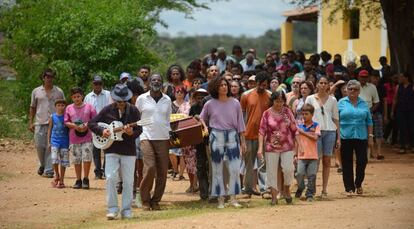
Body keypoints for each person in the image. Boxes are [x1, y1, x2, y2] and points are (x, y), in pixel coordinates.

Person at [88, 84, 142, 219]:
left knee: (129, 181)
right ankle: (112, 208)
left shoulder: (134, 111)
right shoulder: (107, 110)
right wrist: (102, 131)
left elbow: (139, 130)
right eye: (119, 101)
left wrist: (131, 133)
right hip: (111, 149)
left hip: (128, 150)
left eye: (124, 101)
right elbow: (91, 123)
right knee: (111, 178)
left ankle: (126, 210)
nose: (122, 104)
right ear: (114, 99)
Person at [200, 76, 247, 209]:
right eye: (221, 85)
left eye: (225, 85)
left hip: (233, 135)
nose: (224, 87)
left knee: (234, 168)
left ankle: (233, 198)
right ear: (215, 87)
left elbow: (240, 123)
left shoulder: (235, 103)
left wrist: (243, 141)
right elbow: (201, 118)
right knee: (217, 169)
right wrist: (205, 127)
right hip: (216, 135)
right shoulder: (209, 103)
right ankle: (220, 199)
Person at [136, 73, 172, 211]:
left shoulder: (167, 100)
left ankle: (156, 200)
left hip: (163, 137)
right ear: (149, 82)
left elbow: (167, 119)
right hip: (146, 136)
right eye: (153, 79)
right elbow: (137, 117)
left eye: (159, 80)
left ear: (162, 83)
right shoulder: (141, 99)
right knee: (150, 167)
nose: (156, 81)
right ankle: (145, 199)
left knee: (162, 171)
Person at [257, 91, 297, 205]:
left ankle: (286, 189)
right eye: (277, 101)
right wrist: (260, 148)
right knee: (271, 172)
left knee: (289, 169)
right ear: (272, 101)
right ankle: (274, 196)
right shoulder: (266, 114)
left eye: (281, 101)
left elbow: (294, 129)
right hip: (271, 147)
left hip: (287, 146)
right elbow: (261, 131)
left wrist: (300, 146)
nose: (279, 103)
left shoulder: (288, 112)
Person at [305, 76, 340, 198]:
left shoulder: (333, 100)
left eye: (325, 83)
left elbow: (336, 119)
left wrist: (338, 137)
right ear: (317, 85)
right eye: (321, 83)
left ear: (328, 85)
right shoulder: (310, 98)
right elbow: (305, 117)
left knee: (327, 161)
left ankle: (324, 190)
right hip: (315, 133)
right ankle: (311, 190)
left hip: (330, 131)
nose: (323, 85)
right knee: (315, 161)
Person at [338, 80, 373, 196]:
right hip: (345, 136)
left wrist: (370, 136)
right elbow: (336, 120)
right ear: (346, 90)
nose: (353, 91)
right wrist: (337, 137)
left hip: (361, 136)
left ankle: (358, 183)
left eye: (355, 89)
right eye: (350, 89)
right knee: (346, 162)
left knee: (362, 161)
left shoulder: (364, 104)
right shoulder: (341, 103)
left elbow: (369, 121)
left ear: (359, 91)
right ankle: (349, 188)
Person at [29, 68, 65, 178]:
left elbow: (64, 106)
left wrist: (64, 120)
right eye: (47, 76)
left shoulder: (59, 91)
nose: (49, 79)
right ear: (43, 78)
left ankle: (49, 170)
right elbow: (33, 107)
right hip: (39, 122)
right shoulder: (36, 91)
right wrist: (31, 122)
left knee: (51, 145)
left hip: (54, 122)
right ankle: (43, 164)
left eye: (51, 77)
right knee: (40, 145)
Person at [240, 71, 271, 196]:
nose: (262, 86)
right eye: (260, 84)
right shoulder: (245, 95)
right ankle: (247, 189)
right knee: (248, 163)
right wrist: (241, 135)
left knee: (263, 163)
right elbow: (241, 117)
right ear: (256, 82)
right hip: (248, 134)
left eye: (265, 84)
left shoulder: (270, 95)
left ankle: (264, 189)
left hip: (264, 135)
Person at [64, 87, 97, 189]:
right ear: (72, 98)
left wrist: (87, 125)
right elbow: (66, 121)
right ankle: (78, 180)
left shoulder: (89, 107)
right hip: (74, 137)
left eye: (78, 96)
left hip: (87, 136)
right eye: (74, 97)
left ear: (82, 96)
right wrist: (75, 126)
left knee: (87, 158)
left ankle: (86, 179)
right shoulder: (69, 108)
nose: (77, 98)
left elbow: (95, 119)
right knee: (76, 159)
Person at [84, 75, 111, 179]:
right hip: (94, 126)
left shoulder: (108, 94)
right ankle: (97, 172)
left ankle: (105, 171)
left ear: (102, 84)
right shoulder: (88, 97)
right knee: (95, 149)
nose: (98, 85)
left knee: (107, 149)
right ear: (92, 84)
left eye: (99, 83)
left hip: (107, 125)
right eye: (96, 83)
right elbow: (86, 112)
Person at [295, 104, 320, 201]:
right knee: (299, 174)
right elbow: (296, 139)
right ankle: (300, 187)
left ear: (312, 114)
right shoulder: (299, 125)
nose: (304, 116)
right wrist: (296, 153)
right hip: (301, 155)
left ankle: (309, 194)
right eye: (303, 114)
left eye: (307, 114)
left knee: (312, 175)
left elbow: (315, 138)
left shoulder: (316, 125)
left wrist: (303, 132)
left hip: (313, 155)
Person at [189, 89, 210, 200]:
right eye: (198, 96)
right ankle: (204, 193)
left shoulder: (211, 106)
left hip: (210, 139)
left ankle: (212, 191)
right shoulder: (193, 108)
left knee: (210, 166)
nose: (201, 99)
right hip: (199, 141)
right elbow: (189, 123)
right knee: (201, 166)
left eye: (203, 96)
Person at [47, 99, 69, 188]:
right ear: (55, 107)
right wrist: (48, 142)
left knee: (63, 161)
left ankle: (62, 180)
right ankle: (57, 175)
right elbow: (49, 129)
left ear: (65, 106)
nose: (60, 107)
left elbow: (69, 130)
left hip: (65, 141)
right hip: (54, 141)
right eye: (58, 105)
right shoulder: (53, 116)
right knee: (54, 159)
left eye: (62, 105)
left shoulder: (67, 117)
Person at [392, 72, 414, 154]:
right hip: (401, 110)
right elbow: (395, 99)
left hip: (411, 110)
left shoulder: (412, 86)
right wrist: (392, 111)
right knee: (402, 128)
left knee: (411, 128)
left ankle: (412, 145)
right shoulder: (398, 86)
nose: (400, 78)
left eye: (402, 77)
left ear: (406, 78)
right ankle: (402, 146)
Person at [370, 71, 386, 160]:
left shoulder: (381, 88)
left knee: (379, 132)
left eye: (374, 78)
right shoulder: (367, 87)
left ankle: (379, 151)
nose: (372, 79)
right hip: (368, 113)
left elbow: (385, 101)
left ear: (378, 78)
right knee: (369, 133)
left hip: (378, 112)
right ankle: (372, 152)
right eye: (372, 77)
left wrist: (385, 114)